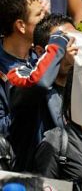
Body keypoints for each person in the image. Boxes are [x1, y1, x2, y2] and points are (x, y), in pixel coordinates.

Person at [8, 13, 76, 172]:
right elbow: (41, 82)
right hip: (37, 176)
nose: (74, 48)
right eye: (67, 43)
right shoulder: (21, 74)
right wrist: (59, 42)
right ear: (40, 51)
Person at [0, 0, 46, 134]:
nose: (46, 18)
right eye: (39, 15)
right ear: (21, 25)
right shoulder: (2, 69)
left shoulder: (41, 54)